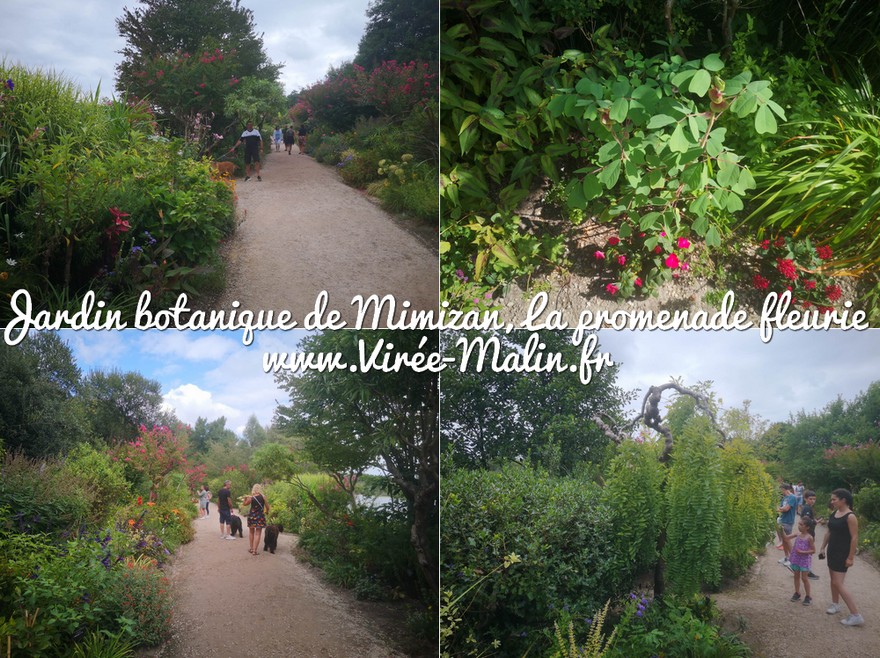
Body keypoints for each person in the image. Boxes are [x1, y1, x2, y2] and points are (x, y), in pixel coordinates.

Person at [819, 488, 863, 626]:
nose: (832, 501)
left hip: (842, 553)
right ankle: (835, 604)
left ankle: (856, 615)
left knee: (838, 583)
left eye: (834, 499)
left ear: (843, 499)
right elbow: (829, 532)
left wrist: (850, 557)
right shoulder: (835, 513)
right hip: (832, 550)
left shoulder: (850, 516)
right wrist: (822, 547)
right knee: (833, 580)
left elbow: (854, 537)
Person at [786, 517, 815, 605]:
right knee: (796, 576)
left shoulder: (809, 538)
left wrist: (803, 552)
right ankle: (797, 593)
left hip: (804, 561)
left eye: (801, 525)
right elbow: (786, 538)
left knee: (804, 578)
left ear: (807, 527)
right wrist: (780, 529)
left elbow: (813, 551)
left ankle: (808, 596)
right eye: (799, 524)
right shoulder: (797, 534)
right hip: (796, 559)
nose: (799, 526)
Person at [243, 484, 270, 555]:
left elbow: (245, 504)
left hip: (251, 516)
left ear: (253, 489)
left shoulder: (251, 497)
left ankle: (251, 549)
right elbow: (267, 507)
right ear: (260, 489)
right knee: (258, 533)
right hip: (260, 517)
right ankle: (255, 551)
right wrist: (267, 512)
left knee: (251, 532)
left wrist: (245, 498)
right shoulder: (263, 497)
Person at [776, 483, 798, 568]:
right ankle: (786, 557)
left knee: (787, 539)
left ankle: (793, 559)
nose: (780, 491)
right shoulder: (785, 498)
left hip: (788, 521)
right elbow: (782, 508)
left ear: (784, 489)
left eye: (780, 489)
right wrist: (780, 509)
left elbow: (785, 509)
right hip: (782, 520)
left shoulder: (792, 497)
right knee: (784, 540)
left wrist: (779, 509)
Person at [800, 490, 820, 580]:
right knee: (808, 553)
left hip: (809, 533)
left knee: (807, 553)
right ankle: (807, 571)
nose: (813, 501)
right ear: (805, 499)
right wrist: (815, 521)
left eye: (814, 499)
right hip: (808, 533)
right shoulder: (807, 508)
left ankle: (805, 570)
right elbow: (806, 520)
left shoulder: (807, 507)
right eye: (810, 499)